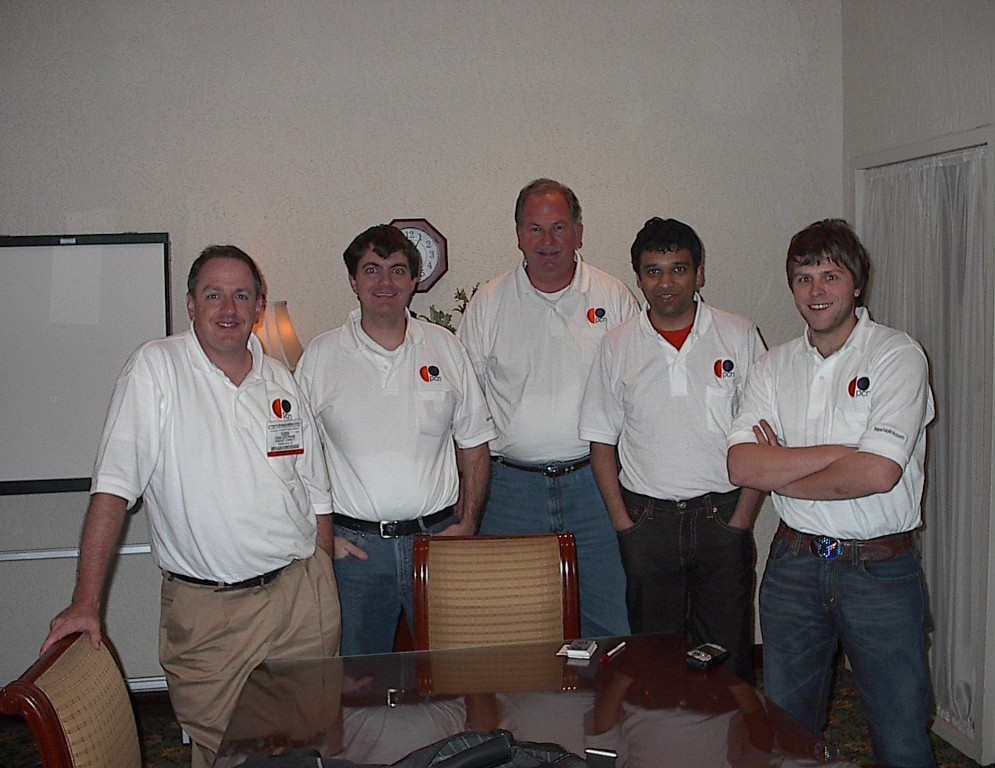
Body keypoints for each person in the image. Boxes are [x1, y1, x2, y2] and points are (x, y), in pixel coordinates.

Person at [42, 245, 341, 768]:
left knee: (304, 745)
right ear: (190, 305)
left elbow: (315, 491)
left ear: (258, 308)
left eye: (241, 295)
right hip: (212, 617)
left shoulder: (280, 381)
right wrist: (85, 601)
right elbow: (113, 490)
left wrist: (321, 563)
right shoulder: (156, 369)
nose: (228, 308)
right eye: (214, 295)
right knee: (231, 756)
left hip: (301, 603)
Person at [726, 219, 936, 768]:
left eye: (830, 276)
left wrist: (784, 470)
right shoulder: (773, 367)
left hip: (879, 574)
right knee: (788, 734)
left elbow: (879, 475)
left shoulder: (897, 356)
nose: (816, 292)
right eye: (803, 278)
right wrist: (845, 451)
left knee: (901, 734)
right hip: (794, 565)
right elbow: (741, 463)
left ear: (857, 284)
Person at [579, 217, 765, 684]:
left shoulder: (739, 335)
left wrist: (742, 518)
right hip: (648, 524)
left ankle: (726, 750)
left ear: (699, 274)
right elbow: (601, 441)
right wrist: (624, 524)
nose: (666, 282)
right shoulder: (616, 345)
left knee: (729, 658)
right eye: (654, 270)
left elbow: (764, 436)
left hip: (721, 518)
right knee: (654, 657)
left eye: (679, 268)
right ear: (638, 277)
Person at [295, 224, 495, 656]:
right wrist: (318, 535)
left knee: (453, 672)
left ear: (413, 282)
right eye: (372, 270)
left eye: (397, 270)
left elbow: (475, 443)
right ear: (353, 280)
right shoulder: (320, 357)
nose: (385, 283)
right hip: (357, 557)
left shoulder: (445, 348)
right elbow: (293, 457)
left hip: (437, 546)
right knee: (360, 686)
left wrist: (470, 524)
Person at [457, 178, 639, 638]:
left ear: (579, 231)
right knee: (515, 625)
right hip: (511, 494)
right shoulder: (487, 304)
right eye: (534, 229)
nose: (547, 241)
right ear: (517, 235)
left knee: (612, 623)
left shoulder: (613, 297)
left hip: (595, 488)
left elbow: (637, 393)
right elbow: (464, 407)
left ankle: (606, 711)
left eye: (558, 227)